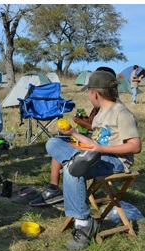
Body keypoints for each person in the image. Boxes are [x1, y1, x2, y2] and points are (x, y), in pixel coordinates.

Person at [46, 71, 141, 250]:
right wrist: (73, 133)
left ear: (94, 93)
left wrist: (100, 149)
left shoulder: (121, 113)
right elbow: (95, 143)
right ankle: (78, 158)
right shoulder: (100, 113)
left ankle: (83, 223)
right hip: (95, 155)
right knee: (53, 143)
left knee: (72, 168)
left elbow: (135, 146)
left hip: (116, 160)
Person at [29, 67, 116, 207]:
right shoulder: (100, 107)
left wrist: (81, 124)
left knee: (69, 160)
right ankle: (55, 188)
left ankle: (61, 188)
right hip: (92, 143)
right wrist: (77, 127)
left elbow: (98, 131)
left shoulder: (113, 110)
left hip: (99, 149)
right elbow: (95, 127)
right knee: (56, 142)